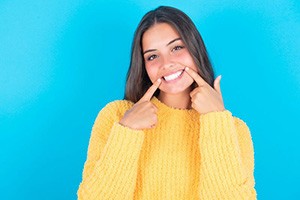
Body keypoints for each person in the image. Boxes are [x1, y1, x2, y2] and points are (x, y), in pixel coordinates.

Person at [77, 6, 257, 200]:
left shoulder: (234, 129)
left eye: (177, 48)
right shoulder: (116, 116)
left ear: (195, 49)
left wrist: (216, 121)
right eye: (152, 56)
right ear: (143, 65)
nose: (166, 63)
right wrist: (127, 131)